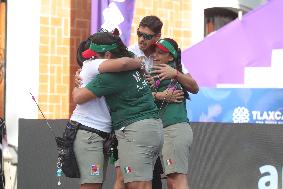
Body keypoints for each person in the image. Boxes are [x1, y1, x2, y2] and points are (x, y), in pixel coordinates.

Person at [72, 31, 164, 189]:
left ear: (107, 56)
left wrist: (76, 88)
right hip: (150, 129)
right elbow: (127, 62)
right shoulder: (132, 67)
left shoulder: (110, 77)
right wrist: (139, 62)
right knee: (134, 182)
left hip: (135, 131)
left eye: (95, 56)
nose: (91, 60)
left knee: (137, 185)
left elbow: (79, 97)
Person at [151, 38, 199, 189]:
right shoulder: (155, 71)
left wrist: (175, 73)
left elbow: (195, 87)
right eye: (155, 52)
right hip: (162, 131)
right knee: (172, 180)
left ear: (171, 57)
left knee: (176, 178)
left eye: (161, 53)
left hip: (174, 130)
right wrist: (160, 95)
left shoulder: (173, 71)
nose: (155, 55)